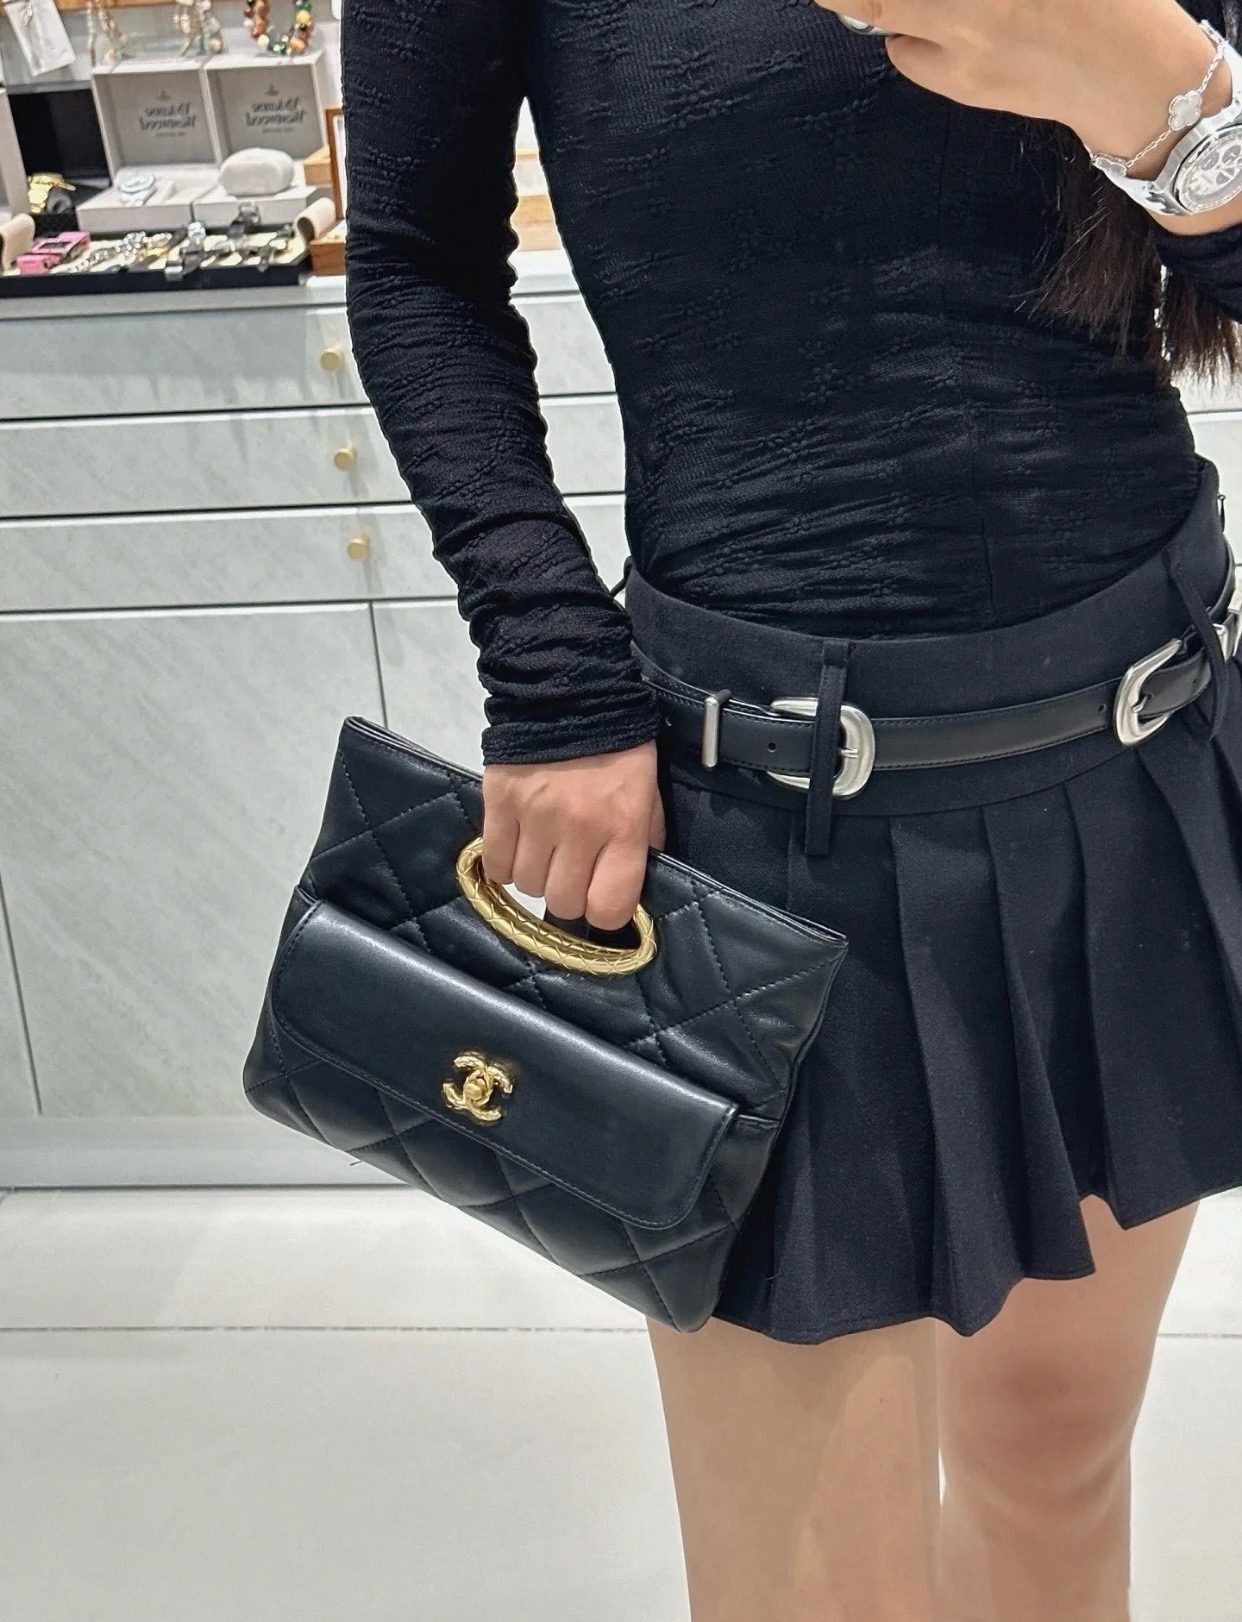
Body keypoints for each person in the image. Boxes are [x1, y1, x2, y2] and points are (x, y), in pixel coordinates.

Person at [342, 0, 1242, 1614]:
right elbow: (417, 259)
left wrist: (1170, 103)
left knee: (1054, 1459)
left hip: (1128, 763)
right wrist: (551, 665)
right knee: (809, 1584)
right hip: (757, 836)